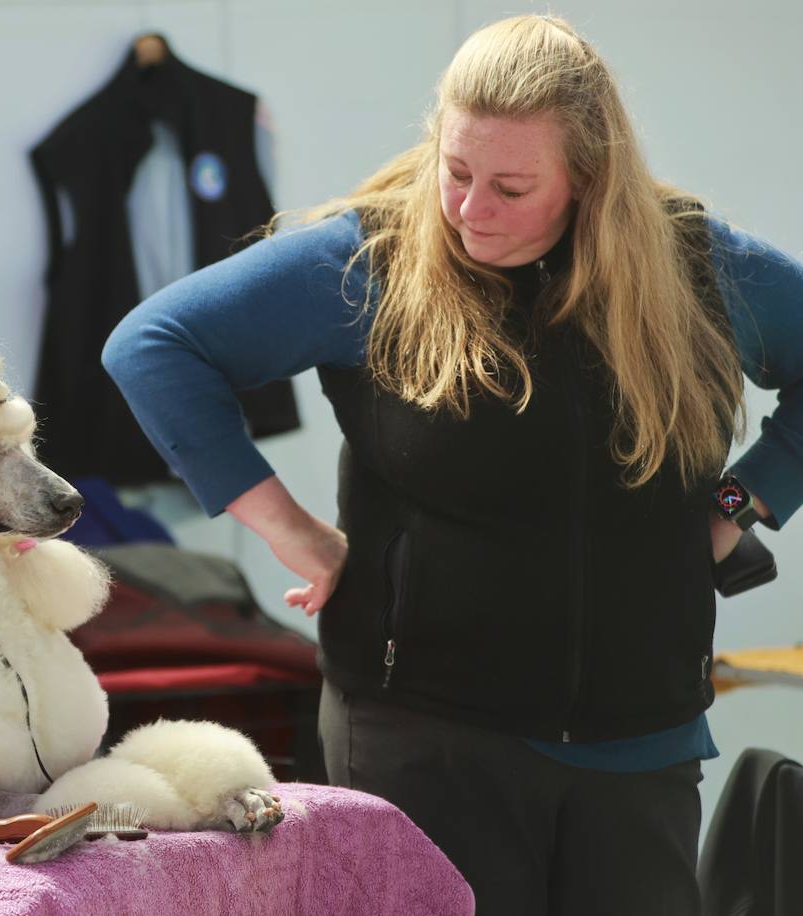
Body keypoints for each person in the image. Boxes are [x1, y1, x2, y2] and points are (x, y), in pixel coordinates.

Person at [101, 14, 802, 916]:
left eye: (512, 187)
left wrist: (735, 506)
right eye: (457, 172)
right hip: (427, 736)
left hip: (643, 744)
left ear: (590, 180)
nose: (471, 212)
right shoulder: (377, 261)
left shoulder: (697, 269)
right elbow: (153, 346)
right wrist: (292, 530)